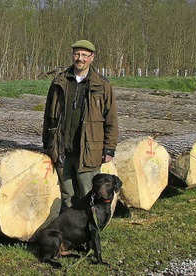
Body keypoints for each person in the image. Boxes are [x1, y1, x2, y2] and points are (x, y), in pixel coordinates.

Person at [42, 39, 119, 211]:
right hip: (63, 149)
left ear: (92, 57)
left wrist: (109, 148)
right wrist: (47, 142)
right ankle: (70, 231)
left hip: (89, 151)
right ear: (72, 55)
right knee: (67, 195)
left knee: (88, 194)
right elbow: (48, 115)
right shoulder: (59, 82)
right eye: (77, 54)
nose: (80, 58)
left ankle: (91, 231)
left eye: (85, 55)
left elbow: (111, 120)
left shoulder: (102, 85)